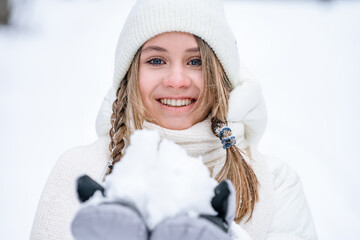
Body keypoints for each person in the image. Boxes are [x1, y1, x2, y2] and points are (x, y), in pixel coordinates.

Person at [30, 0, 318, 239]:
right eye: (156, 60)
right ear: (131, 76)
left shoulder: (275, 183)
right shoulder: (78, 171)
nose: (177, 80)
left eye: (196, 62)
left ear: (221, 75)